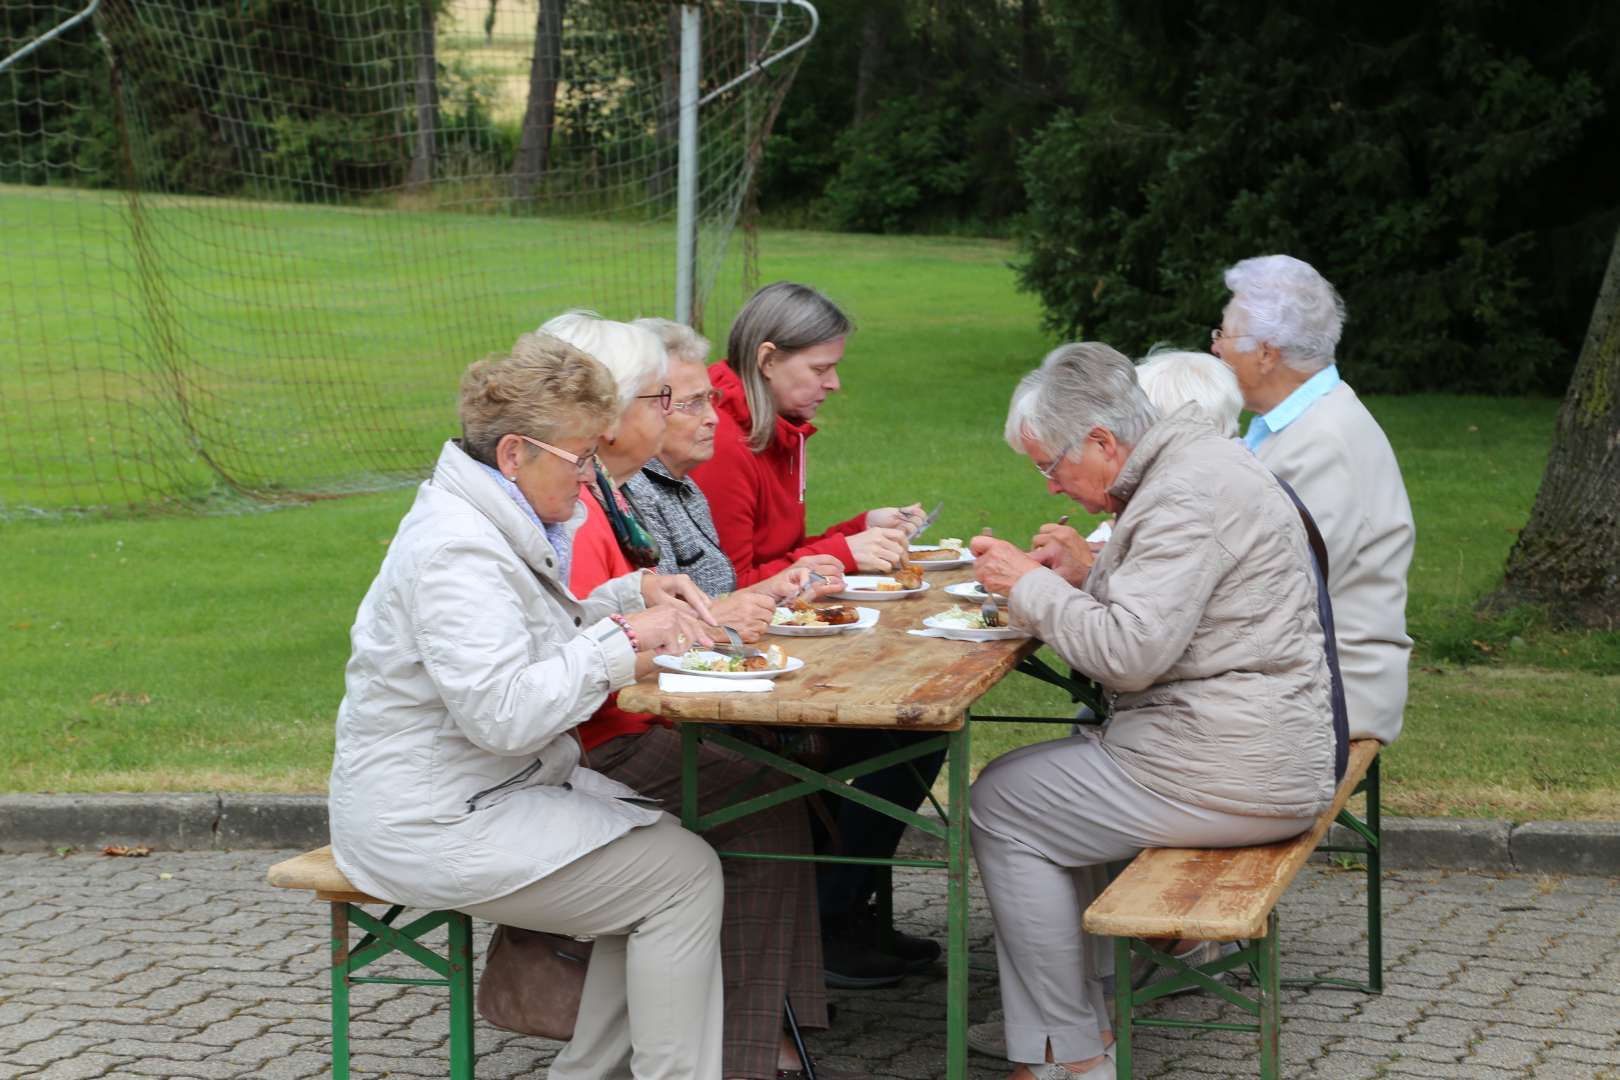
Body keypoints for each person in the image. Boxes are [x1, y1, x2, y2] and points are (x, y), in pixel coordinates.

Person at [328, 332, 726, 1080]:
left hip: (471, 794)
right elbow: (503, 713)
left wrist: (628, 596)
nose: (590, 476)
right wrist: (621, 640)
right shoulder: (457, 551)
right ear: (514, 453)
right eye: (579, 457)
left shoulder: (487, 520)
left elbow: (534, 638)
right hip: (428, 821)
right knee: (680, 876)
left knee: (668, 860)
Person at [968, 342, 1336, 1080]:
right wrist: (1087, 574)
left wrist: (1028, 587)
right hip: (1255, 744)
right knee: (1037, 789)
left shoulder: (1183, 492)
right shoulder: (1197, 465)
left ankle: (1071, 1057)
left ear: (1103, 443)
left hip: (1238, 766)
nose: (1051, 486)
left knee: (1002, 804)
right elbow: (1182, 607)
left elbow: (1129, 653)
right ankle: (1078, 1021)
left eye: (1050, 467)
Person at [540, 310, 849, 1080]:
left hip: (620, 724)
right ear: (608, 417)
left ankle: (770, 1027)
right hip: (597, 744)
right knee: (766, 804)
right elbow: (579, 665)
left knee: (779, 785)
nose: (697, 414)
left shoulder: (605, 498)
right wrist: (700, 626)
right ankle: (751, 1044)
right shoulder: (581, 508)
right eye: (666, 400)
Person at [690, 283, 946, 988]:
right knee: (905, 736)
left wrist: (858, 530)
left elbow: (784, 552)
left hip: (776, 657)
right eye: (821, 368)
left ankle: (836, 906)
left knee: (912, 732)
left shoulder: (779, 429)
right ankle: (827, 918)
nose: (833, 384)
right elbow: (733, 589)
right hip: (732, 681)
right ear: (768, 359)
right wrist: (841, 553)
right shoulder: (724, 445)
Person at [1212, 254, 1415, 744]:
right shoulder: (1293, 424)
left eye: (1222, 335)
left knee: (1128, 718)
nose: (1214, 348)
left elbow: (1273, 590)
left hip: (1329, 694)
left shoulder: (1324, 443)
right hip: (1293, 674)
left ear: (1266, 353)